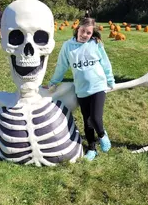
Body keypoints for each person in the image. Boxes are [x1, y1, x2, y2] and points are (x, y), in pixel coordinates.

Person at [46, 17, 115, 161]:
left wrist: (110, 79)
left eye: (88, 33)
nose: (85, 35)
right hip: (82, 90)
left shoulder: (95, 44)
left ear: (92, 34)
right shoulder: (68, 46)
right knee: (87, 122)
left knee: (96, 118)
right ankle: (92, 148)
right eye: (83, 31)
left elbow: (105, 62)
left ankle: (102, 135)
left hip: (98, 87)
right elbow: (61, 66)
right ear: (78, 29)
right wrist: (53, 82)